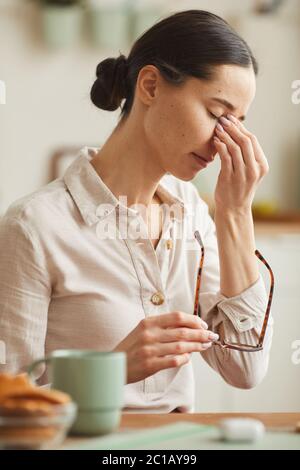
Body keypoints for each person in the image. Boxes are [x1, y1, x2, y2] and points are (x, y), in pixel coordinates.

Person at [0, 10, 272, 413]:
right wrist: (110, 371)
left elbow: (244, 368)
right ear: (150, 86)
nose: (222, 142)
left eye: (236, 123)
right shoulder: (34, 226)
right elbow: (9, 405)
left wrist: (235, 214)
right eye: (216, 114)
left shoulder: (193, 215)